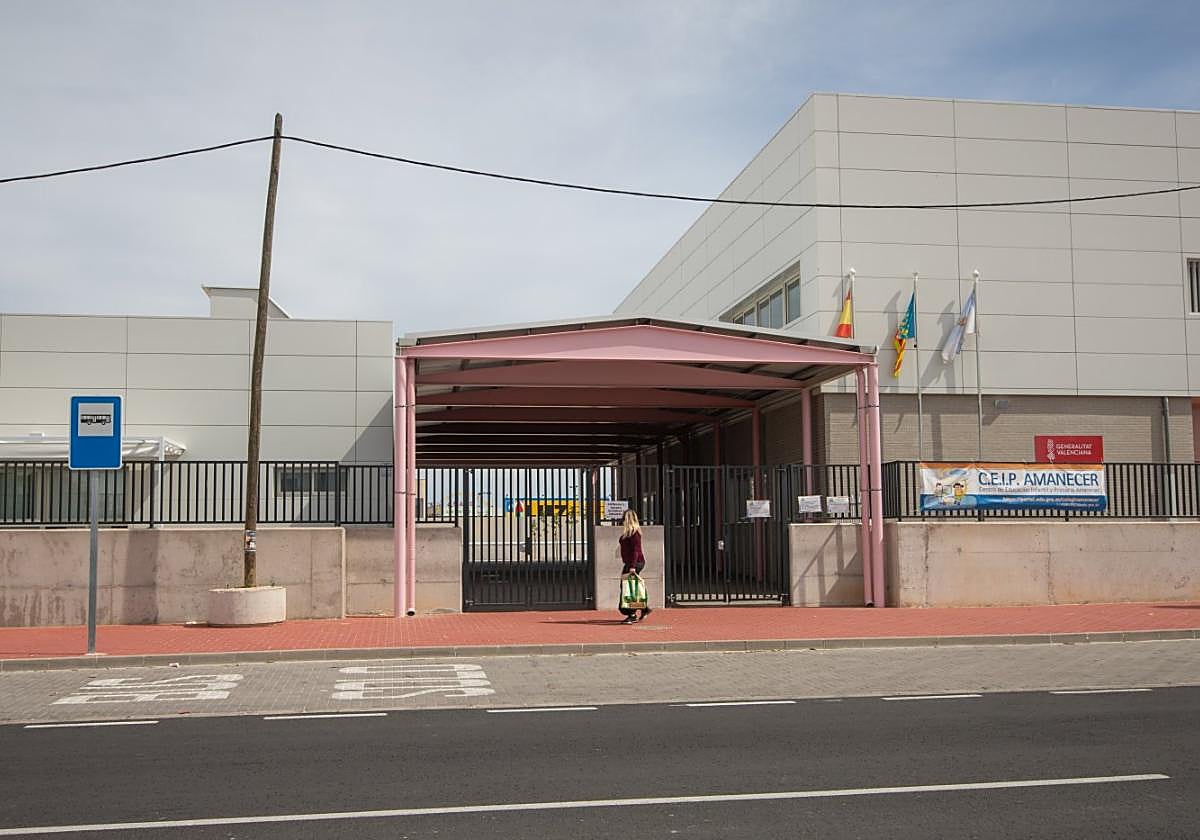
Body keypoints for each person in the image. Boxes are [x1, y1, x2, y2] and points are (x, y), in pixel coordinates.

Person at [618, 509, 651, 624]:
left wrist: (632, 566)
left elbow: (636, 551)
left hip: (635, 563)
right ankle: (644, 608)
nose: (622, 521)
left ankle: (632, 614)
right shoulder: (629, 533)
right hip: (631, 563)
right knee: (630, 587)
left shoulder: (634, 533)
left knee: (628, 588)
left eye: (624, 519)